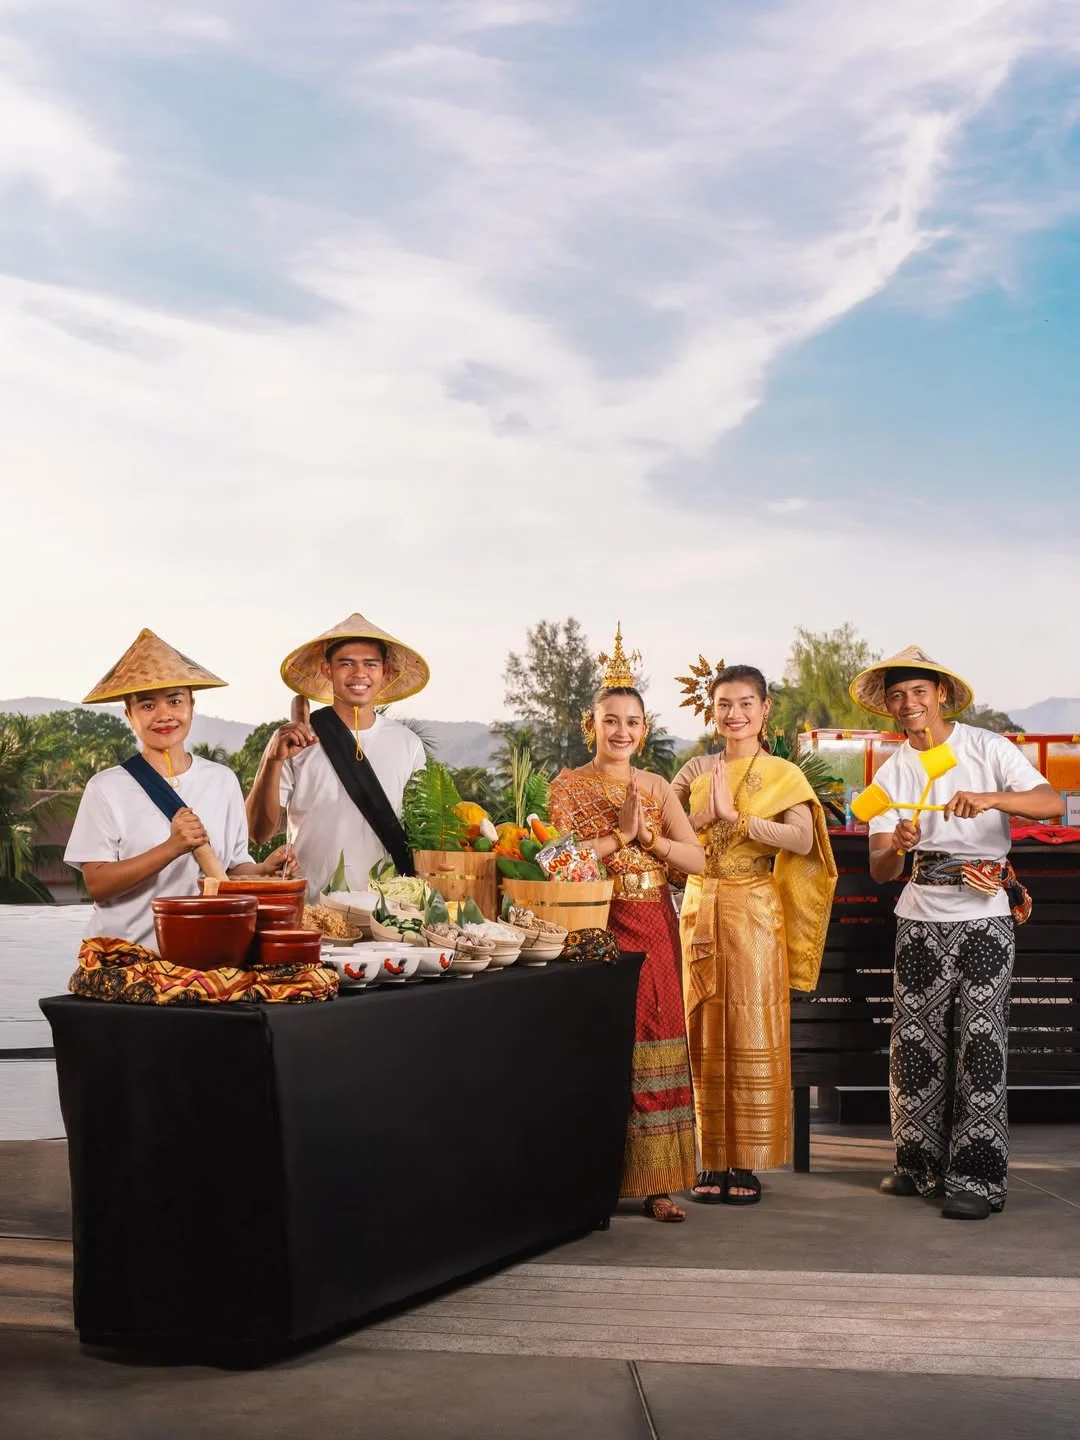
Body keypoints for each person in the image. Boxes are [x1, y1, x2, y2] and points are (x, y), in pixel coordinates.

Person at [851, 644, 1065, 1220]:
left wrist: (991, 798)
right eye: (898, 696)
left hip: (986, 916)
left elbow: (1050, 803)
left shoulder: (986, 747)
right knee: (914, 1044)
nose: (908, 703)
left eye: (919, 692)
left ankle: (977, 1177)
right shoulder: (891, 775)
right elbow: (880, 870)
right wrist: (897, 847)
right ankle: (917, 1165)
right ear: (889, 706)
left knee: (982, 1043)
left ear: (941, 694)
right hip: (919, 918)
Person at [548, 626, 705, 1222]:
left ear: (645, 728)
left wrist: (652, 840)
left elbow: (697, 861)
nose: (621, 731)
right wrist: (619, 835)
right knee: (604, 1042)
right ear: (590, 725)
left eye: (632, 722)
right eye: (610, 720)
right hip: (597, 922)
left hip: (655, 922)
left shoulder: (658, 787)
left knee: (658, 1039)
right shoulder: (568, 786)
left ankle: (658, 1181)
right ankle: (597, 1174)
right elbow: (557, 861)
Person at [63, 629, 312, 1002]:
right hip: (128, 961)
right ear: (129, 714)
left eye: (175, 701)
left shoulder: (221, 780)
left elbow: (229, 870)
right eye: (147, 705)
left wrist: (263, 870)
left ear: (192, 705)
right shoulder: (106, 788)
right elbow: (97, 883)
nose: (164, 715)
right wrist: (172, 847)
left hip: (206, 962)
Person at [671, 661, 836, 1204]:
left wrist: (737, 819)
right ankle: (708, 1158)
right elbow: (660, 831)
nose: (735, 714)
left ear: (765, 710)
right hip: (700, 905)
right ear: (712, 712)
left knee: (751, 1025)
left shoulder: (784, 774)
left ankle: (745, 1161)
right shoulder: (694, 770)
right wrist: (703, 817)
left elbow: (803, 840)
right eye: (724, 704)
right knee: (700, 1027)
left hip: (755, 911)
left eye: (746, 703)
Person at [247, 613, 429, 900]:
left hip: (386, 909)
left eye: (370, 664)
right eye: (346, 663)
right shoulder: (294, 741)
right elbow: (257, 832)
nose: (359, 673)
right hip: (311, 905)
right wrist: (274, 760)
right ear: (327, 670)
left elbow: (423, 831)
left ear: (385, 671)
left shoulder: (408, 744)